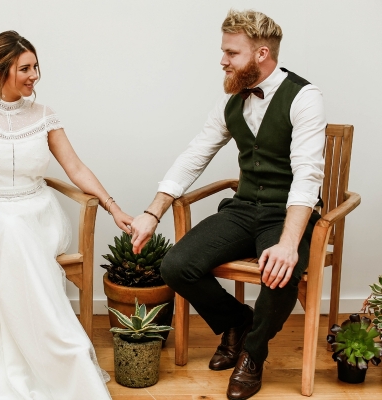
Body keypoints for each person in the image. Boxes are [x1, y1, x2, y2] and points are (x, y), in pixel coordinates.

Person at [0, 30, 131, 400]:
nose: (34, 75)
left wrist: (113, 207)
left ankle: (45, 359)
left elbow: (75, 168)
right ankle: (62, 352)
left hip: (40, 216)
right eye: (25, 68)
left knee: (18, 233)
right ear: (1, 71)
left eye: (35, 67)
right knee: (11, 230)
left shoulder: (45, 117)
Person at [130, 9, 325, 400]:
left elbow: (307, 176)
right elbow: (195, 154)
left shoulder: (305, 98)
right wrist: (153, 211)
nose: (222, 60)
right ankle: (238, 321)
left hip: (285, 213)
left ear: (261, 54)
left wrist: (288, 244)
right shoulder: (231, 100)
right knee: (176, 265)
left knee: (281, 271)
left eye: (232, 53)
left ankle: (253, 353)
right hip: (243, 208)